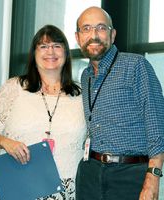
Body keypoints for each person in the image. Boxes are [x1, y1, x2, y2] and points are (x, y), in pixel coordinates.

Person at [75, 6, 164, 200]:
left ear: (112, 34)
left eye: (101, 28)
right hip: (90, 173)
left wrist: (153, 177)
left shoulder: (136, 65)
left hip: (130, 175)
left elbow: (157, 123)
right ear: (78, 37)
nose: (94, 35)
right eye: (86, 28)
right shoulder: (85, 76)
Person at [0, 24, 86, 200]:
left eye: (57, 46)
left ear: (66, 53)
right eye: (43, 46)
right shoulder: (14, 88)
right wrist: (5, 141)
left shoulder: (82, 94)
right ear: (34, 54)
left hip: (66, 190)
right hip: (17, 187)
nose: (51, 52)